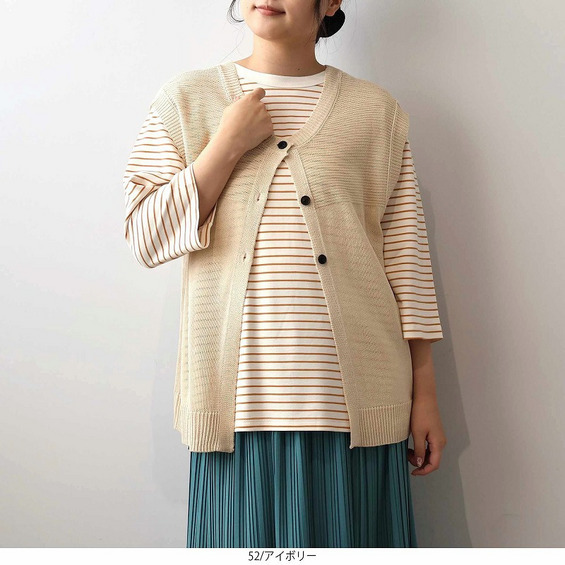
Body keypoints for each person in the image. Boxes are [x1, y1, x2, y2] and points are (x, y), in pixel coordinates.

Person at [123, 0, 447, 549]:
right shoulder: (187, 99)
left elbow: (405, 258)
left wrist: (425, 395)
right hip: (235, 413)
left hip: (358, 411)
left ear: (331, 2)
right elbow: (146, 237)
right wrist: (226, 145)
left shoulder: (376, 112)